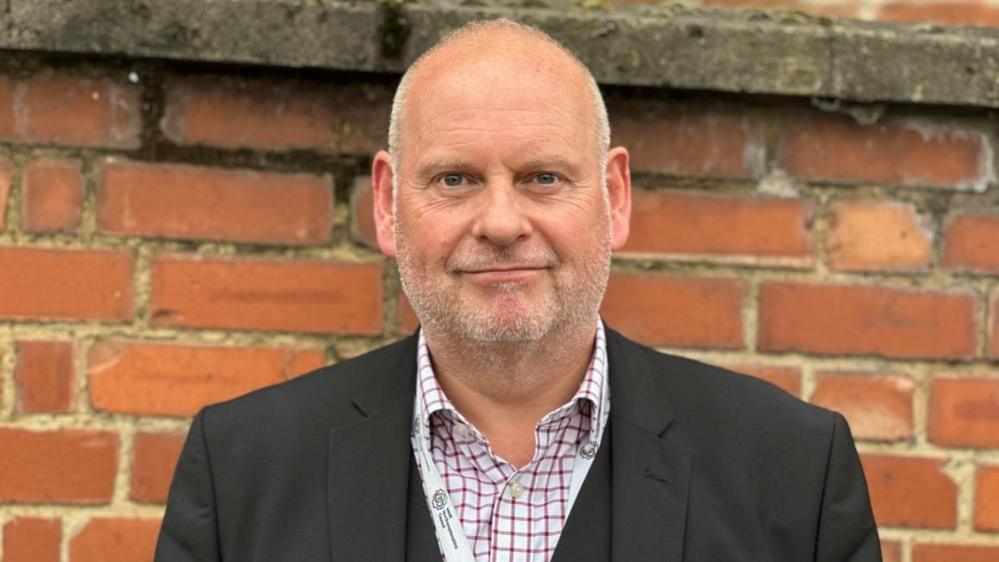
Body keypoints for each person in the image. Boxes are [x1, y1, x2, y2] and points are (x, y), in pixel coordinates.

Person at [154, 19, 881, 562]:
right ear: (385, 204)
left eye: (542, 177)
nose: (501, 223)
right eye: (454, 179)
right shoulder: (243, 468)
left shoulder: (792, 471)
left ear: (614, 196)